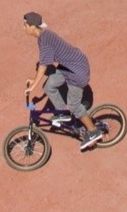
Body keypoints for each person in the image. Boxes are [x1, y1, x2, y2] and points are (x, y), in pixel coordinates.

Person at [22, 11, 107, 151]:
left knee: (74, 105)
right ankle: (62, 113)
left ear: (32, 27)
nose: (23, 28)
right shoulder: (44, 37)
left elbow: (43, 66)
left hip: (77, 72)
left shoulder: (45, 41)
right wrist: (34, 80)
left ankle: (93, 131)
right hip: (69, 67)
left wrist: (33, 86)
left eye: (25, 25)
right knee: (49, 86)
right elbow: (45, 63)